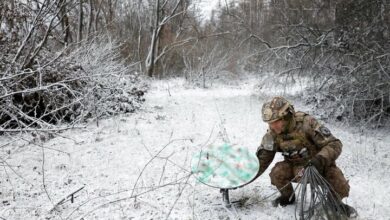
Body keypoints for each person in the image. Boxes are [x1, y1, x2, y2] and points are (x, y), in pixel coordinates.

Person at [255, 96, 356, 217]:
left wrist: (319, 160)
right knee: (277, 172)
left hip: (319, 166)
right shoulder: (272, 134)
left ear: (287, 116)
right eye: (270, 123)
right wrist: (242, 179)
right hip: (295, 168)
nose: (272, 126)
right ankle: (287, 197)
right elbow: (262, 160)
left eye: (276, 121)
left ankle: (334, 204)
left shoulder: (307, 123)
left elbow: (334, 144)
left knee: (340, 184)